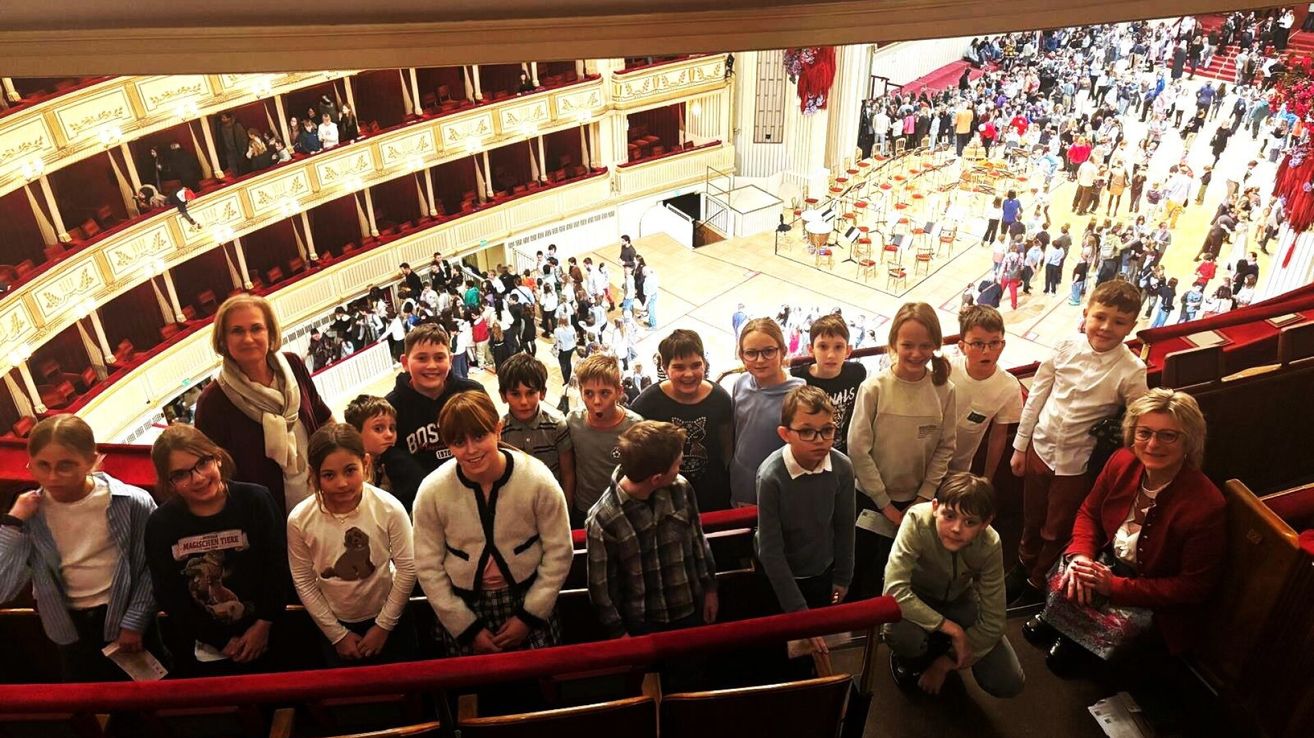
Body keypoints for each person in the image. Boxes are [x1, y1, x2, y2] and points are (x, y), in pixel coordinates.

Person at [1025, 390, 1225, 675]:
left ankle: (1078, 638)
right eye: (1145, 433)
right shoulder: (1122, 461)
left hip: (1147, 587)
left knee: (1063, 664)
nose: (1153, 444)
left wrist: (1114, 587)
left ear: (1189, 442)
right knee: (1069, 576)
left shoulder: (1206, 506)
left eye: (1168, 435)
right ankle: (1060, 622)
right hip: (1106, 561)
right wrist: (1081, 557)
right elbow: (1089, 513)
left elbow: (1192, 587)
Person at [1007, 280, 1149, 604]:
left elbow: (1137, 418)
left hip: (1078, 461)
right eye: (1100, 317)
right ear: (1086, 313)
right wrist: (1020, 445)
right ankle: (1022, 564)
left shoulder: (1132, 369)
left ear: (1132, 326)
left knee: (1056, 528)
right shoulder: (1064, 346)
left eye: (1119, 322)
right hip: (1040, 449)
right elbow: (1037, 396)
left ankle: (1036, 580)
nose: (1106, 327)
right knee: (1031, 516)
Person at [0, 416, 164, 682]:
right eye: (42, 466)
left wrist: (135, 621)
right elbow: (2, 589)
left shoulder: (132, 501)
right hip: (67, 627)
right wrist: (13, 523)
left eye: (66, 466)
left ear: (91, 461)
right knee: (87, 703)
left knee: (151, 702)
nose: (52, 477)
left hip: (129, 619)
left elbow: (154, 567)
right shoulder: (29, 515)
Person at [412, 392, 573, 656]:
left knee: (541, 684)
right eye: (459, 441)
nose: (471, 450)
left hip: (529, 594)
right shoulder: (432, 491)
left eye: (479, 436)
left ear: (497, 429)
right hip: (462, 605)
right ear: (447, 444)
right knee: (473, 690)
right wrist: (465, 626)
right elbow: (427, 566)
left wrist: (529, 615)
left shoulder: (537, 479)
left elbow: (559, 551)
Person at [145, 425, 289, 676]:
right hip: (206, 648)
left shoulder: (256, 500)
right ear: (169, 483)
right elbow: (169, 594)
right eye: (181, 474)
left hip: (270, 633)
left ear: (218, 458)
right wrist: (222, 641)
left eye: (203, 463)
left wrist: (263, 625)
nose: (198, 478)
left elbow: (278, 568)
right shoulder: (160, 524)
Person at [847, 303, 956, 600]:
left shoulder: (945, 390)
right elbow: (858, 449)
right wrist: (885, 504)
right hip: (870, 499)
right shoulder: (874, 388)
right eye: (908, 345)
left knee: (901, 567)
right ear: (893, 342)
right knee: (862, 565)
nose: (916, 353)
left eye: (925, 346)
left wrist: (922, 497)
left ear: (936, 345)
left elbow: (946, 446)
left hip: (917, 500)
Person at [884, 473, 1025, 698]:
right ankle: (914, 655)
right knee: (903, 636)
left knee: (1008, 680)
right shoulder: (916, 521)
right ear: (935, 507)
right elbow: (894, 592)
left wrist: (946, 662)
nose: (957, 528)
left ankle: (940, 648)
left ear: (986, 523)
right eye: (949, 516)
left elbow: (994, 620)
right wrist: (953, 630)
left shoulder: (990, 543)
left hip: (960, 599)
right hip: (917, 596)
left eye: (970, 522)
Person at [287, 424, 417, 666]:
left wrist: (384, 626)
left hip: (391, 617)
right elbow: (304, 581)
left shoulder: (389, 508)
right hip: (335, 625)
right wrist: (337, 635)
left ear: (365, 464)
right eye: (329, 475)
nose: (342, 483)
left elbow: (407, 568)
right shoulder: (299, 520)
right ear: (314, 474)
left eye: (350, 471)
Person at [195, 295, 332, 516]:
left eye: (256, 328)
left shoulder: (294, 365)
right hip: (266, 516)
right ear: (223, 340)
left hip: (321, 497)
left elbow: (324, 420)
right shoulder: (213, 401)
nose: (248, 338)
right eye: (237, 331)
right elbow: (214, 471)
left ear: (270, 333)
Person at [585, 421, 718, 637]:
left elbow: (698, 542)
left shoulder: (681, 489)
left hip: (689, 608)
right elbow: (602, 588)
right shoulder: (603, 518)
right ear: (656, 478)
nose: (680, 467)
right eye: (677, 464)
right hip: (643, 623)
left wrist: (710, 589)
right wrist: (619, 632)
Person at [755, 386, 855, 626]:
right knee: (787, 639)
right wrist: (798, 608)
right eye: (807, 432)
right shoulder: (771, 476)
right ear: (785, 433)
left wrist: (842, 577)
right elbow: (770, 549)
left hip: (821, 570)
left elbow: (845, 527)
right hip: (780, 575)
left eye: (827, 430)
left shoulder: (842, 467)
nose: (819, 440)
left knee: (820, 635)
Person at [631, 329, 734, 512]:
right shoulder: (647, 403)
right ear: (665, 368)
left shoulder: (720, 399)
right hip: (665, 496)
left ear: (704, 364)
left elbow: (727, 446)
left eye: (696, 365)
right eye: (679, 367)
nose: (689, 374)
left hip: (713, 493)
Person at [385, 323, 487, 503]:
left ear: (451, 359)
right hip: (422, 503)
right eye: (422, 358)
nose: (431, 365)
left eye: (439, 357)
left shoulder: (473, 392)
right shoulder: (389, 408)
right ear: (405, 363)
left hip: (477, 494)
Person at [730, 318, 806, 507]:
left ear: (783, 351)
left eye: (768, 351)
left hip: (778, 489)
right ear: (741, 355)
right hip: (741, 484)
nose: (760, 360)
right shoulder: (740, 383)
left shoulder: (799, 396)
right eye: (751, 353)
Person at [566, 354, 643, 527]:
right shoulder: (573, 421)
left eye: (605, 393)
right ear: (581, 392)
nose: (597, 401)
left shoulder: (635, 426)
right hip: (583, 508)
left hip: (622, 510)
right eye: (589, 393)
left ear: (619, 391)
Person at [949, 306, 1023, 481]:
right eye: (977, 344)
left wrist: (988, 477)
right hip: (922, 461)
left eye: (994, 343)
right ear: (962, 347)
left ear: (1002, 345)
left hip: (957, 470)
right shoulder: (947, 370)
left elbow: (998, 436)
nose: (987, 351)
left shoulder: (1009, 386)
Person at [498, 353, 576, 494]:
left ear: (542, 393)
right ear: (503, 396)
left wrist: (565, 511)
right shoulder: (500, 431)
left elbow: (568, 474)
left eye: (530, 393)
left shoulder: (557, 425)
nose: (523, 402)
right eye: (515, 394)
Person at [790, 314, 867, 456]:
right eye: (823, 347)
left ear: (848, 350)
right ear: (811, 349)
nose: (831, 355)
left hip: (845, 452)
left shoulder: (857, 373)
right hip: (809, 452)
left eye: (838, 347)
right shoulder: (798, 379)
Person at [343, 395, 418, 506]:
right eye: (378, 429)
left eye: (392, 428)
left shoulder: (396, 460)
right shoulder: (350, 471)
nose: (389, 435)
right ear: (355, 433)